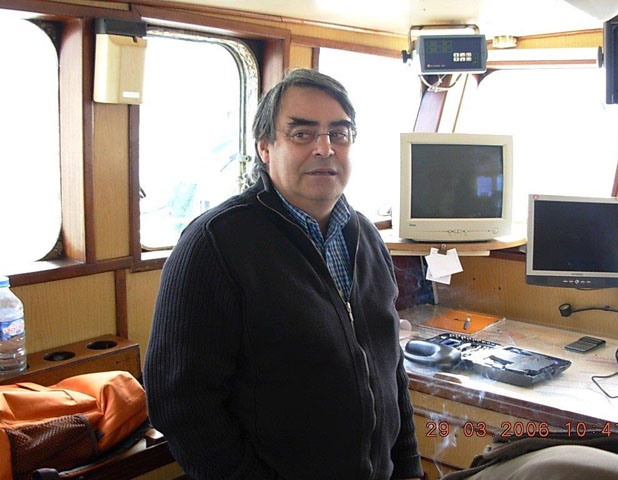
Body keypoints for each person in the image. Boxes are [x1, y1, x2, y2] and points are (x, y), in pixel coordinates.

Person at [144, 69, 424, 480]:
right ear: (265, 147)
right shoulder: (215, 244)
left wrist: (409, 470)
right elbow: (181, 402)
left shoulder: (366, 236)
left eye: (339, 134)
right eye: (302, 134)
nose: (325, 149)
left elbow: (388, 372)